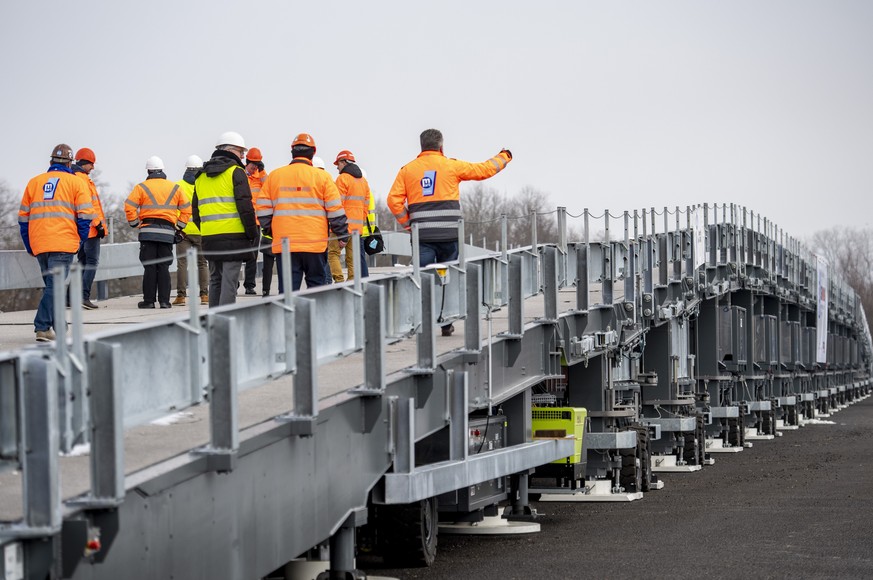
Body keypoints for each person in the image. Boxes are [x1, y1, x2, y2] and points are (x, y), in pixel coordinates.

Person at [387, 128, 512, 335]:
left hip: (422, 237)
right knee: (447, 279)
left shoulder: (407, 170)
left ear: (421, 146)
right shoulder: (451, 165)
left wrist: (408, 223)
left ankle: (422, 324)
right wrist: (504, 156)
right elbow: (483, 170)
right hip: (449, 235)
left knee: (423, 280)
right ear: (441, 146)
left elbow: (393, 200)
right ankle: (445, 323)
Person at [19, 144, 95, 341]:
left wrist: (30, 245)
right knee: (56, 286)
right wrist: (81, 239)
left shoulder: (34, 183)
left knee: (53, 286)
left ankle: (59, 326)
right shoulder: (76, 182)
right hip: (63, 242)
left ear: (51, 162)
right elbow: (86, 217)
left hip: (39, 244)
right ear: (70, 163)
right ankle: (42, 326)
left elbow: (23, 220)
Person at [260, 133, 349, 291]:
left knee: (287, 293)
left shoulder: (275, 176)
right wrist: (342, 234)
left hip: (285, 244)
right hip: (315, 244)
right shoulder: (323, 177)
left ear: (292, 151)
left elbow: (262, 209)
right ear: (313, 153)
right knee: (317, 291)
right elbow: (335, 210)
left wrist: (272, 230)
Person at [193, 132, 258, 307]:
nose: (244, 155)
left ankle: (215, 320)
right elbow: (245, 207)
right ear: (230, 150)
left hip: (209, 237)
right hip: (234, 237)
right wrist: (252, 233)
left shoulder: (200, 176)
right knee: (230, 281)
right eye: (240, 151)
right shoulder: (236, 172)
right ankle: (227, 322)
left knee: (215, 280)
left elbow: (196, 212)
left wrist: (208, 228)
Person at [125, 156, 191, 309]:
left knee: (149, 267)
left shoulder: (141, 187)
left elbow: (129, 207)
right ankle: (165, 301)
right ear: (162, 170)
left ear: (148, 171)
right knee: (163, 267)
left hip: (147, 232)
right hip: (167, 233)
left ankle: (148, 301)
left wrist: (136, 223)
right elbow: (187, 209)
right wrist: (179, 227)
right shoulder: (175, 188)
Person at [71, 147, 107, 310]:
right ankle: (83, 297)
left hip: (81, 228)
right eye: (91, 164)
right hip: (90, 228)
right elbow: (88, 206)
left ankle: (69, 297)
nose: (93, 167)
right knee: (91, 262)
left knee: (82, 262)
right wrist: (98, 224)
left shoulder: (73, 177)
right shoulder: (82, 180)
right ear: (85, 163)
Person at [329, 150, 372, 281]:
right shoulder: (363, 182)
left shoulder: (342, 179)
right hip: (356, 229)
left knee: (332, 254)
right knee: (352, 258)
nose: (337, 167)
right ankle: (353, 284)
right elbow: (366, 206)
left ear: (344, 162)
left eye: (338, 164)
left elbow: (337, 205)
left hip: (341, 226)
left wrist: (338, 228)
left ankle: (340, 282)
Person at [172, 155, 209, 306]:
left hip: (183, 231)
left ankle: (181, 296)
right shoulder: (204, 184)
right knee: (202, 264)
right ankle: (205, 296)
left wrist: (177, 227)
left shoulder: (178, 185)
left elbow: (173, 209)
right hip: (201, 230)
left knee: (181, 263)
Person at [243, 147, 266, 296]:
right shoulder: (241, 175)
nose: (254, 169)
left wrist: (262, 172)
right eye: (252, 166)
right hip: (242, 221)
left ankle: (249, 285)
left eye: (257, 166)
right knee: (238, 253)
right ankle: (234, 282)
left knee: (252, 255)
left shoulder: (261, 177)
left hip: (256, 222)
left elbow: (269, 186)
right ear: (247, 163)